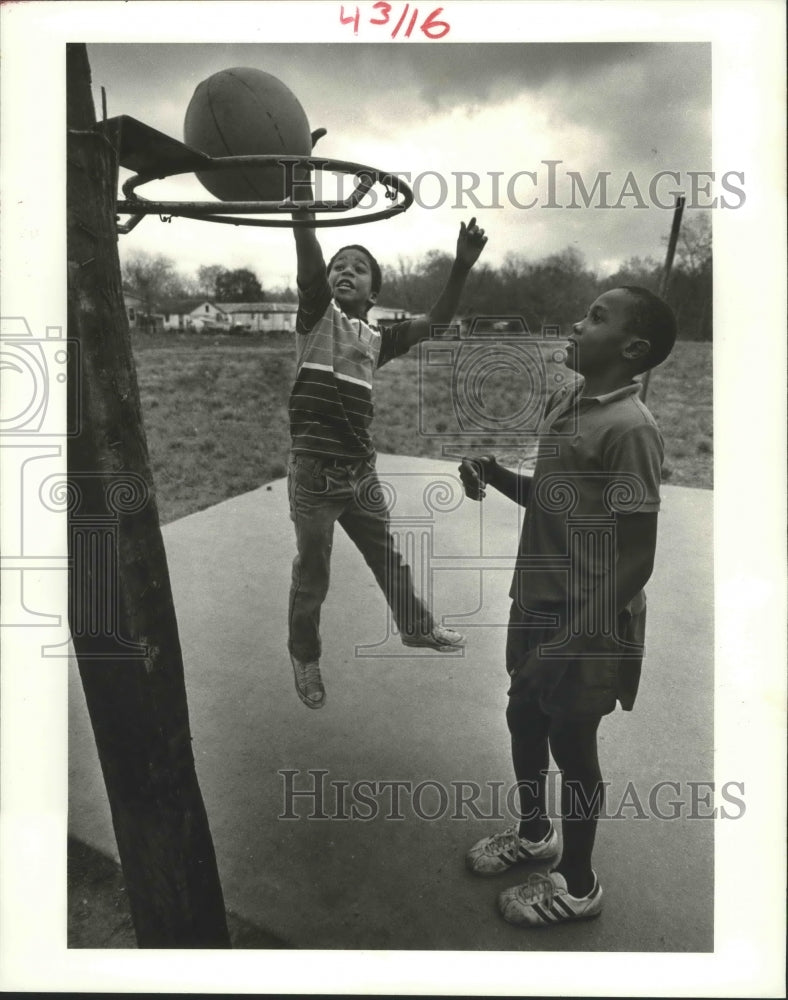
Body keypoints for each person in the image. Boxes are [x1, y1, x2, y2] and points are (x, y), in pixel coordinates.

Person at [460, 285, 677, 926]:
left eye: (596, 317)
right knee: (523, 715)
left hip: (587, 622)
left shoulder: (632, 429)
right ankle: (534, 834)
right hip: (534, 600)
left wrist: (565, 647)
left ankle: (577, 883)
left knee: (572, 743)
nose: (578, 323)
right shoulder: (569, 401)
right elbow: (557, 499)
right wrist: (498, 475)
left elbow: (637, 556)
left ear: (632, 348)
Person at [286, 177, 487, 710]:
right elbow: (308, 259)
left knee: (388, 558)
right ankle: (304, 654)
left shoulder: (377, 340)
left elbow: (438, 322)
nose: (342, 270)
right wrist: (302, 182)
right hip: (314, 475)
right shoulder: (315, 318)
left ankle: (415, 627)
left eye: (357, 267)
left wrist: (461, 266)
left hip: (359, 473)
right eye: (337, 266)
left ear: (374, 292)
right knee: (313, 574)